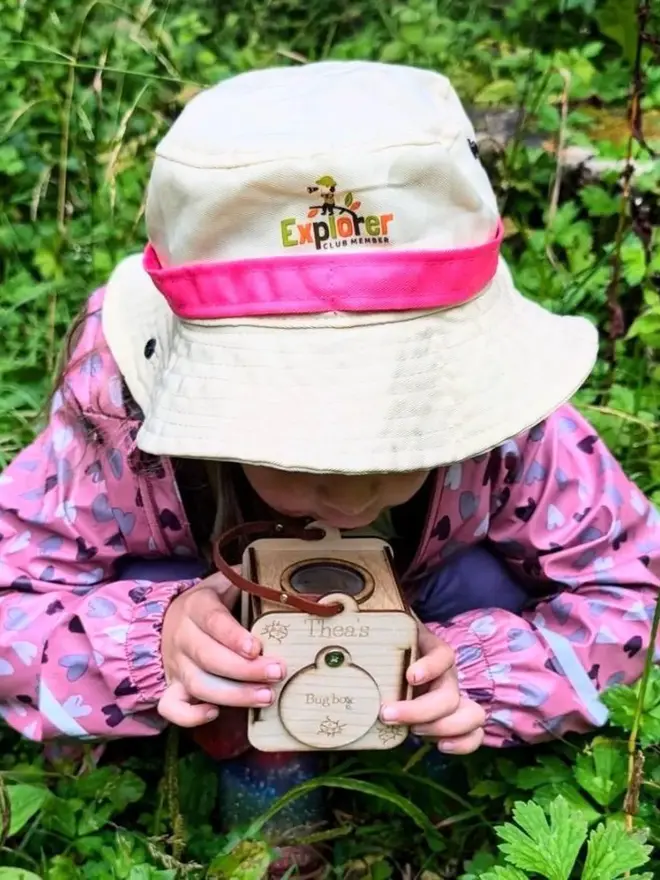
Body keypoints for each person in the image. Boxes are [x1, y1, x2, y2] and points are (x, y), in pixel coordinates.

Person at [1, 60, 659, 874]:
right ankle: (271, 823)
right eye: (297, 443)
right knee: (211, 638)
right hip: (214, 636)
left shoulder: (512, 434)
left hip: (427, 620)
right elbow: (9, 591)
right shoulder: (121, 423)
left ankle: (440, 784)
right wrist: (153, 637)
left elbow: (636, 585)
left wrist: (487, 675)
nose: (354, 488)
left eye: (409, 432)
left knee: (490, 582)